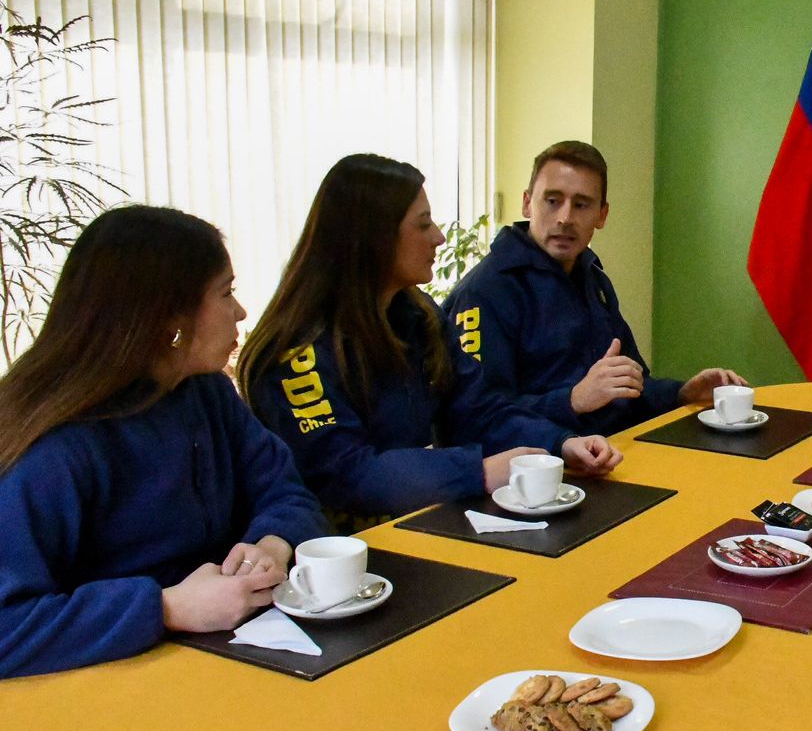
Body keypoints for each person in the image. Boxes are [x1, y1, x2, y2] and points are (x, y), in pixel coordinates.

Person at [0, 206, 325, 679]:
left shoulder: (206, 392)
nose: (240, 312)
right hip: (108, 688)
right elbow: (8, 626)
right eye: (226, 293)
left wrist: (272, 544)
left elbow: (286, 490)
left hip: (225, 656)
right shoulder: (54, 447)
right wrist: (167, 608)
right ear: (166, 319)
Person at [239, 154, 620, 525]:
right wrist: (478, 472)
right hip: (339, 548)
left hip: (419, 520)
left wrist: (561, 443)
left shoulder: (418, 315)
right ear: (374, 239)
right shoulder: (296, 351)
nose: (439, 237)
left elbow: (478, 409)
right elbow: (345, 473)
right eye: (423, 225)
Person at [442, 141, 745, 436]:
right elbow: (475, 420)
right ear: (527, 204)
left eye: (581, 205)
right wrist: (572, 400)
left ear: (602, 215)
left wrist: (681, 393)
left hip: (617, 449)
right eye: (552, 201)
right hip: (546, 463)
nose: (565, 218)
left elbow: (629, 383)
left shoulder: (592, 278)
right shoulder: (485, 291)